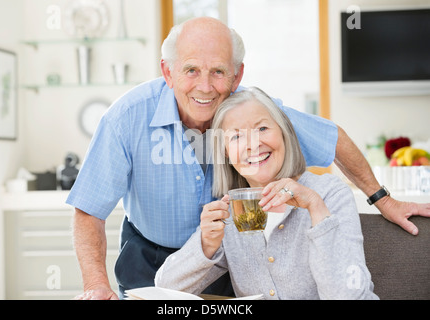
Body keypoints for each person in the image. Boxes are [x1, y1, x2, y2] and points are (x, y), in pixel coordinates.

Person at [67, 17, 429, 300]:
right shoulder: (127, 117)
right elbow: (89, 209)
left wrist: (382, 199)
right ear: (168, 71)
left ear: (237, 75)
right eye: (191, 69)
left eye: (219, 72)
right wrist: (96, 284)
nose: (206, 86)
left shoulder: (254, 109)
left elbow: (333, 139)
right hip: (151, 251)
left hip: (225, 252)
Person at [155, 87, 378, 300]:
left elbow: (347, 295)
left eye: (262, 129)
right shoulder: (231, 212)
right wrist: (205, 244)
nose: (253, 144)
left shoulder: (329, 194)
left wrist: (315, 208)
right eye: (237, 137)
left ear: (283, 133)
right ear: (225, 152)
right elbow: (165, 287)